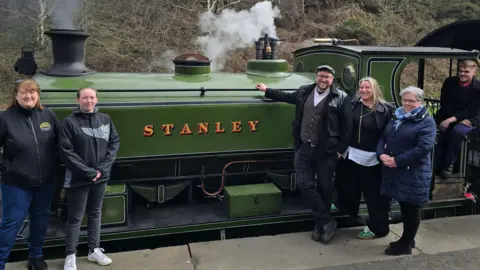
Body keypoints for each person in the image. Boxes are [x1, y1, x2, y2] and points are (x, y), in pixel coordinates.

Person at [256, 65, 353, 244]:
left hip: (327, 151)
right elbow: (286, 97)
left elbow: (348, 128)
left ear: (333, 79)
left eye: (328, 77)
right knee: (304, 183)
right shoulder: (304, 91)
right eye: (321, 76)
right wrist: (267, 90)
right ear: (316, 76)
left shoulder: (341, 98)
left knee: (325, 187)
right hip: (304, 147)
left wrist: (340, 151)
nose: (324, 79)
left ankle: (321, 224)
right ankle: (326, 220)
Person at [0, 79, 60, 270]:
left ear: (38, 95)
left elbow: (60, 144)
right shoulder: (5, 118)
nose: (28, 96)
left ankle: (36, 257)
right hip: (16, 183)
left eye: (32, 92)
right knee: (11, 224)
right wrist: (7, 168)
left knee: (40, 219)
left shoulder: (48, 115)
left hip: (45, 182)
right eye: (24, 93)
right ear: (16, 96)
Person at [60, 88, 120, 270]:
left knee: (95, 213)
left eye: (92, 97)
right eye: (85, 97)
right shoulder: (69, 123)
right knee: (75, 217)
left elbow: (114, 143)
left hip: (101, 176)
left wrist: (102, 169)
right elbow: (66, 152)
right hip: (79, 178)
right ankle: (70, 256)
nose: (88, 101)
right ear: (78, 100)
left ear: (96, 99)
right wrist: (88, 172)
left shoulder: (105, 119)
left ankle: (94, 250)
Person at [377, 86, 436, 255]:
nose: (408, 104)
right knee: (404, 204)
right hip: (396, 169)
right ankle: (409, 238)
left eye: (412, 101)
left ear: (420, 102)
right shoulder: (397, 116)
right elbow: (384, 136)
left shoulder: (426, 122)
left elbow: (422, 148)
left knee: (411, 207)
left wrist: (397, 160)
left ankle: (405, 243)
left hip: (414, 171)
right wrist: (381, 154)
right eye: (405, 100)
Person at [335, 77, 393, 240]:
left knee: (373, 195)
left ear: (374, 89)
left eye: (367, 87)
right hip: (351, 154)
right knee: (348, 186)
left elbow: (389, 134)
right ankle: (347, 210)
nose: (364, 90)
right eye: (361, 87)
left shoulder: (386, 109)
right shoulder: (353, 104)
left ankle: (378, 227)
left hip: (373, 158)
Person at [435, 59, 480, 177]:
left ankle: (449, 165)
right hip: (448, 115)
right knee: (435, 130)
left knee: (457, 132)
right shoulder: (449, 82)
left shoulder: (477, 88)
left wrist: (453, 120)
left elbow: (470, 110)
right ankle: (435, 163)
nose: (463, 74)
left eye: (466, 71)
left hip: (469, 119)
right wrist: (449, 119)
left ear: (473, 72)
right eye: (461, 71)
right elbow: (444, 102)